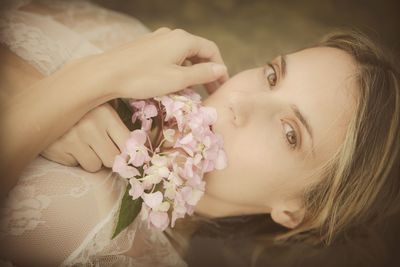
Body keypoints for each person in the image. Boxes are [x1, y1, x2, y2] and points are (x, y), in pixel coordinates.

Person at [0, 1, 399, 267]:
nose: (241, 102)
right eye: (272, 75)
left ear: (296, 211)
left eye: (290, 133)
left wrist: (84, 85)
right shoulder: (136, 44)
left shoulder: (124, 257)